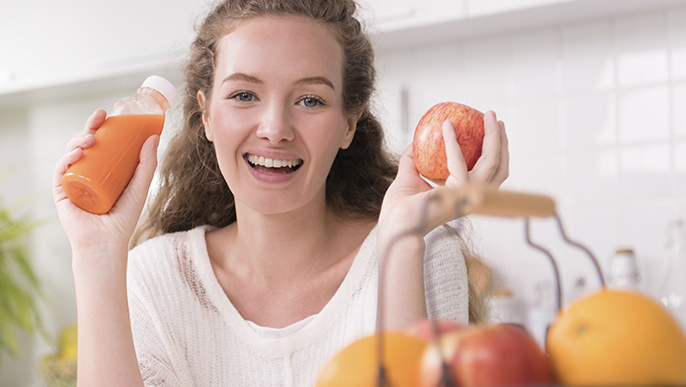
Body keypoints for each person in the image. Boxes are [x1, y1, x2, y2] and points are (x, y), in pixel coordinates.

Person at [51, 0, 510, 385]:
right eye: (244, 95)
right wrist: (96, 254)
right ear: (206, 116)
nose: (274, 130)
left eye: (310, 100)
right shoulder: (155, 279)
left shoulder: (424, 252)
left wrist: (401, 243)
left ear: (349, 122)